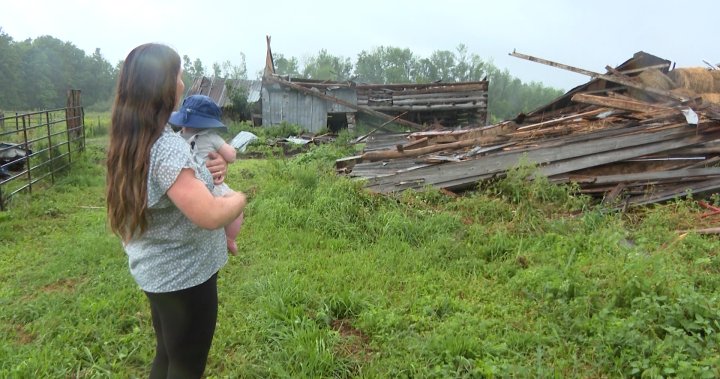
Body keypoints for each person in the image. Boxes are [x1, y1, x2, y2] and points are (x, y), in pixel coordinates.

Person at [105, 43, 246, 379]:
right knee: (186, 365)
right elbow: (209, 214)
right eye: (179, 75)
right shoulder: (166, 145)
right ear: (164, 84)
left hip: (158, 274)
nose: (183, 83)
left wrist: (210, 175)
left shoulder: (134, 138)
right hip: (185, 279)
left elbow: (177, 181)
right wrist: (239, 198)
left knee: (168, 355)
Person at [169, 94, 244, 255]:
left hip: (189, 187)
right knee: (236, 209)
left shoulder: (174, 140)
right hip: (212, 186)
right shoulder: (211, 137)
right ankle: (229, 240)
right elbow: (231, 156)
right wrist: (225, 156)